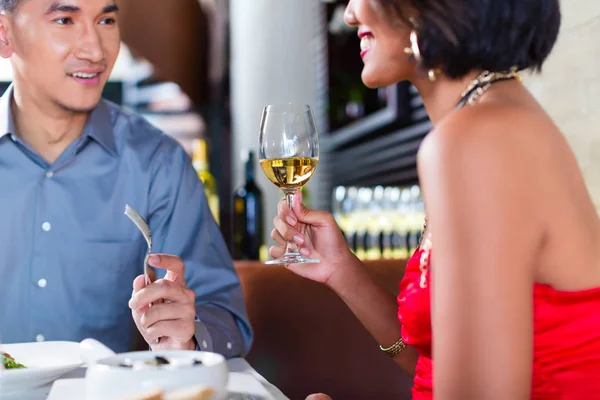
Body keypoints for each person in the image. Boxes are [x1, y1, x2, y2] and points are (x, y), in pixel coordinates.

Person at [271, 0, 600, 398]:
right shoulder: (489, 120)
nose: (350, 14)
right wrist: (341, 270)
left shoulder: (475, 141)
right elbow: (437, 364)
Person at [0, 0, 252, 356]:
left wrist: (188, 335)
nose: (95, 49)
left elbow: (227, 322)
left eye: (106, 19)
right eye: (64, 20)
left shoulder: (157, 164)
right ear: (4, 35)